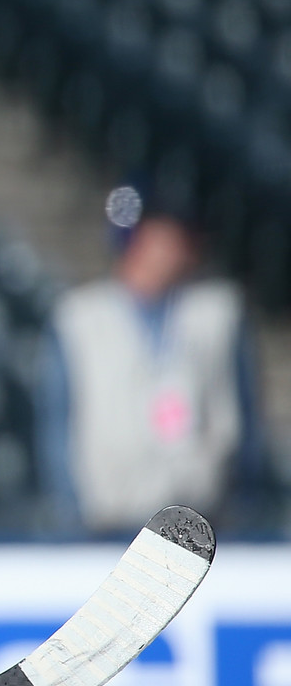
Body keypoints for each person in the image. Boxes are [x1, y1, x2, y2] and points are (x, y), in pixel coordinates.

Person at [39, 184, 272, 535]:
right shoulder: (80, 317)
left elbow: (247, 417)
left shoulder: (217, 312)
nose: (174, 246)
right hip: (108, 520)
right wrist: (70, 509)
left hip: (204, 519)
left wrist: (245, 504)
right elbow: (59, 420)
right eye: (161, 234)